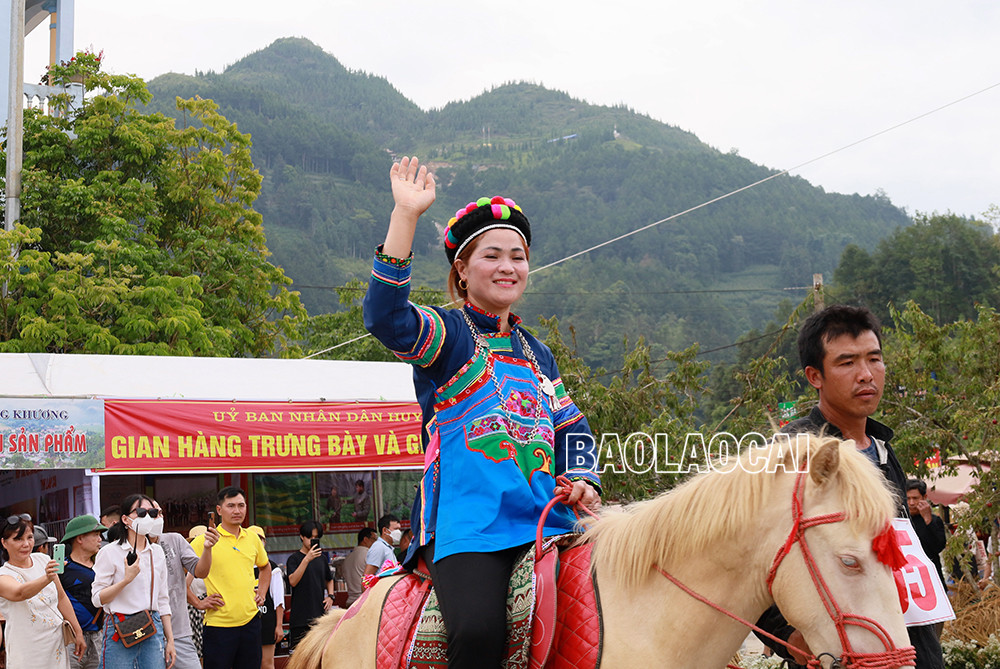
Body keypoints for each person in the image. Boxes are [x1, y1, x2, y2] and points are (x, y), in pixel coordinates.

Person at [362, 156, 602, 668]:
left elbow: (571, 425)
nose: (508, 266)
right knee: (476, 633)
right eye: (492, 255)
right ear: (462, 270)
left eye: (517, 256)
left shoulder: (538, 352)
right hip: (469, 526)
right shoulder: (448, 336)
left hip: (546, 519)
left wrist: (584, 479)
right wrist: (405, 216)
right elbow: (385, 318)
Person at [756, 305, 944, 669]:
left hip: (909, 647)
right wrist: (788, 636)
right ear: (815, 376)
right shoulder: (793, 451)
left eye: (874, 359)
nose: (866, 375)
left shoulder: (882, 447)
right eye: (847, 363)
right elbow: (747, 557)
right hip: (842, 654)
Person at [190, 486, 271, 669]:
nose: (237, 511)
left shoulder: (252, 538)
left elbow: (265, 567)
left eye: (241, 505)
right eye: (231, 506)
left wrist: (262, 593)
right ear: (219, 510)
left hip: (251, 623)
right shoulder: (204, 540)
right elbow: (177, 579)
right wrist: (197, 602)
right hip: (219, 627)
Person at [92, 494, 176, 669]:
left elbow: (162, 599)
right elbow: (97, 598)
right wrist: (126, 580)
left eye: (152, 513)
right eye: (141, 512)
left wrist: (170, 640)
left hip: (152, 626)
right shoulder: (110, 552)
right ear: (125, 519)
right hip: (119, 625)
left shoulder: (157, 552)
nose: (148, 518)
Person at [0, 513, 85, 668]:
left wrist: (78, 632)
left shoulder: (43, 560)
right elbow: (20, 593)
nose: (26, 544)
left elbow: (61, 598)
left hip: (55, 644)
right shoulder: (3, 574)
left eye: (30, 537)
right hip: (26, 650)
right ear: (4, 543)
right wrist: (47, 577)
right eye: (18, 539)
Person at [150, 501, 215, 669]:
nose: (159, 517)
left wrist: (207, 548)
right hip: (146, 634)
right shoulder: (129, 549)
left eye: (161, 513)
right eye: (153, 513)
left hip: (179, 632)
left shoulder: (175, 540)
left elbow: (200, 571)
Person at [59, 515, 106, 669]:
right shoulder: (62, 568)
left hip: (100, 637)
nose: (100, 539)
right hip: (70, 639)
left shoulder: (103, 567)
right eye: (95, 535)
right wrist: (77, 633)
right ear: (80, 538)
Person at [285, 520, 333, 650]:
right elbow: (292, 581)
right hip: (299, 618)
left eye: (316, 538)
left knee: (318, 654)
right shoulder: (294, 559)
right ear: (302, 536)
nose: (313, 540)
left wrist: (331, 596)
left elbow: (329, 579)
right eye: (310, 537)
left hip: (319, 616)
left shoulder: (322, 558)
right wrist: (307, 559)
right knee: (298, 656)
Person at [247, 526, 284, 669]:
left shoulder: (272, 568)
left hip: (266, 621)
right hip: (245, 620)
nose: (257, 541)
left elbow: (279, 600)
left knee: (266, 663)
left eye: (260, 538)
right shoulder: (242, 566)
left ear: (264, 542)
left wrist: (279, 626)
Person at [343, 528, 376, 607]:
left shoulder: (348, 557)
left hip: (350, 603)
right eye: (374, 539)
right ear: (365, 539)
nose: (376, 543)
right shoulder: (369, 555)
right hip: (363, 603)